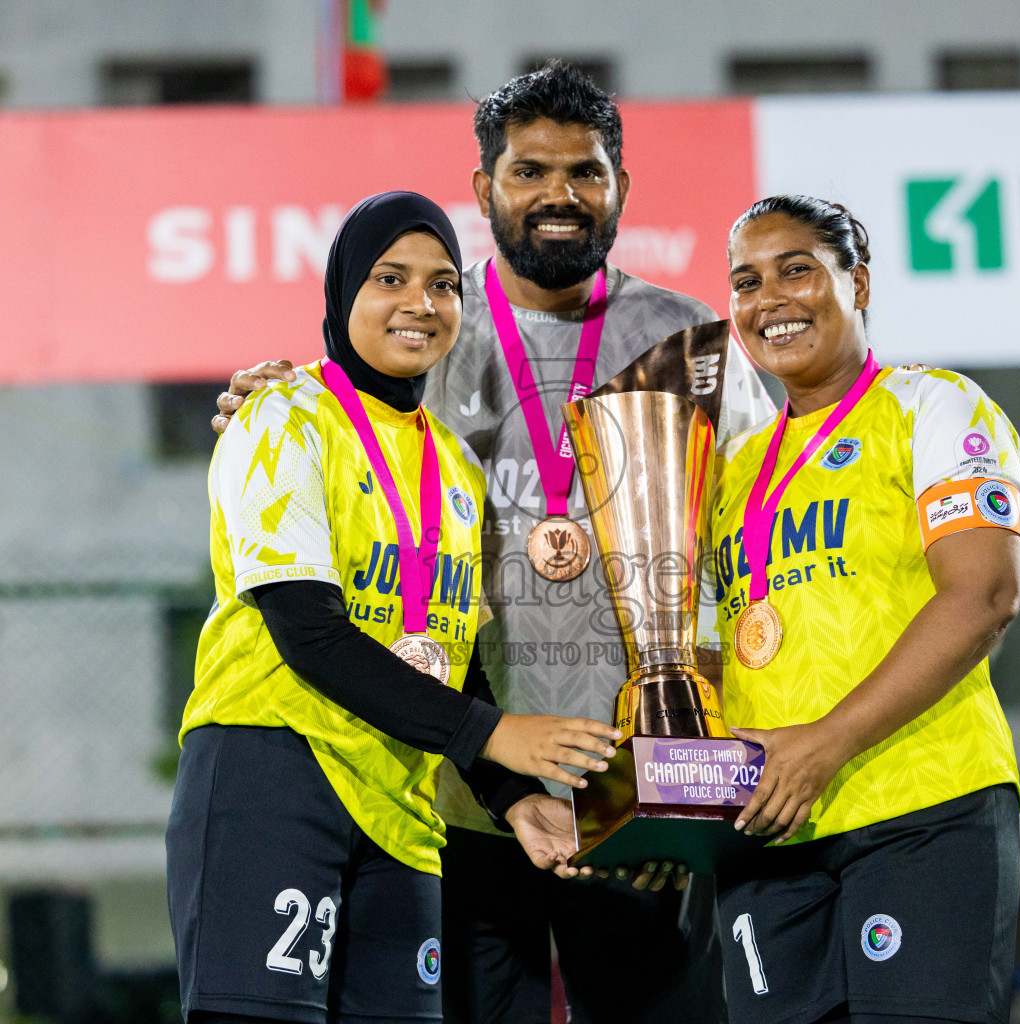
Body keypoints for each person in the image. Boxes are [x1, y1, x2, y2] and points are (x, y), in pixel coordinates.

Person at [212, 62, 773, 1024]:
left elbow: (752, 553)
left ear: (621, 190)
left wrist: (700, 776)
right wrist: (268, 399)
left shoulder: (691, 342)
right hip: (453, 796)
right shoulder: (427, 331)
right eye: (529, 172)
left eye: (585, 173)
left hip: (636, 795)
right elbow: (338, 452)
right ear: (485, 190)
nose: (559, 195)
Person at [166, 191, 622, 1024]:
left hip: (404, 812)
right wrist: (496, 735)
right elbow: (310, 635)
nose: (421, 302)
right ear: (344, 293)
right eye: (391, 278)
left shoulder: (455, 465)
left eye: (444, 283)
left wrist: (511, 794)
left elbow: (462, 663)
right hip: (275, 779)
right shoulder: (283, 418)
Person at [711, 195, 1020, 1024]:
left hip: (921, 811)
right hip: (768, 831)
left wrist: (824, 745)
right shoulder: (729, 467)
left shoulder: (935, 408)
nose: (768, 298)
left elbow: (985, 594)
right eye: (746, 281)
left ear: (860, 282)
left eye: (797, 270)